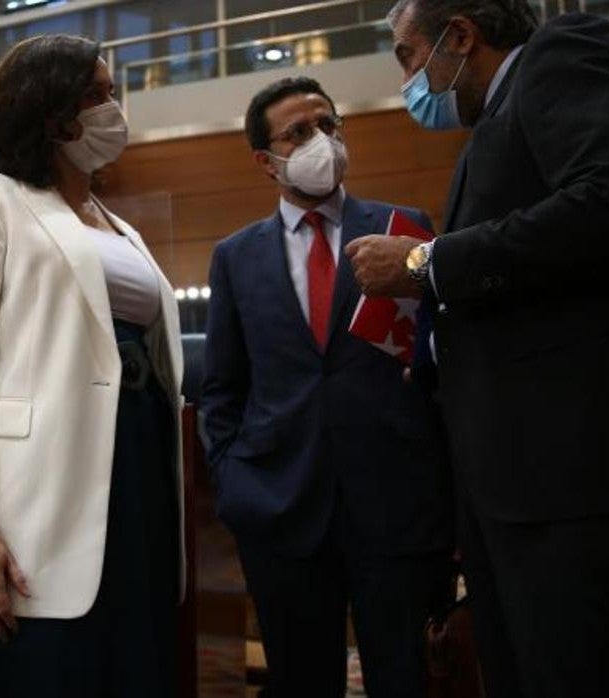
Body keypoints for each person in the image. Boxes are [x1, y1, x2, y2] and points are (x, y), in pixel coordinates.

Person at [346, 1, 609, 695]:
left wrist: (426, 264)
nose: (407, 81)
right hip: (525, 488)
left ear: (460, 35)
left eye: (407, 56)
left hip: (586, 478)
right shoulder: (496, 119)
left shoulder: (567, 54)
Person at [0, 34, 184, 698]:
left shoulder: (118, 226)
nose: (114, 109)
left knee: (125, 669)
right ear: (47, 110)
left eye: (113, 93)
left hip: (135, 469)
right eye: (95, 95)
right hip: (29, 496)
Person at [199, 76, 453, 698]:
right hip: (280, 505)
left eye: (330, 124)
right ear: (266, 160)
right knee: (302, 679)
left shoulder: (403, 226)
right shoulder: (235, 256)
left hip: (393, 499)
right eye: (300, 132)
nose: (323, 139)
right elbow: (223, 387)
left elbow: (435, 364)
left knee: (405, 675)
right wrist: (234, 480)